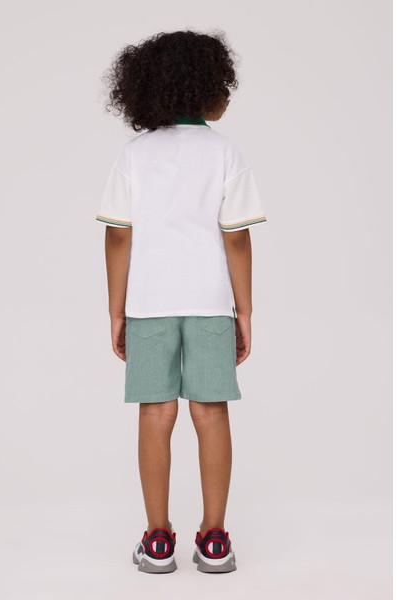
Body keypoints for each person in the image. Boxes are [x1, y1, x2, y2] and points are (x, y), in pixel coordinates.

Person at [96, 29, 266, 574]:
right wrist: (244, 310)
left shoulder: (135, 154)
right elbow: (236, 238)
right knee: (210, 411)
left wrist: (116, 310)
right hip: (211, 302)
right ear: (207, 85)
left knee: (155, 412)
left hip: (148, 302)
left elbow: (117, 235)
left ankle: (157, 539)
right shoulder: (225, 152)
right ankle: (215, 540)